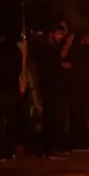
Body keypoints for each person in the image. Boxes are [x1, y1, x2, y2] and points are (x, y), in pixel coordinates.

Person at [32, 23, 69, 159]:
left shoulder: (52, 48)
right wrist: (60, 65)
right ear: (51, 34)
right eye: (58, 34)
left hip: (54, 87)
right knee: (51, 118)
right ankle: (50, 149)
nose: (60, 37)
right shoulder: (46, 49)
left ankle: (53, 147)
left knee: (56, 117)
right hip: (50, 87)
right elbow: (51, 66)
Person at [0, 30, 24, 160]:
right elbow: (18, 70)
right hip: (13, 89)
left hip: (1, 89)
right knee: (11, 121)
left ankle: (1, 150)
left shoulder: (0, 52)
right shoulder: (17, 52)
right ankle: (12, 149)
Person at [69, 28, 89, 151]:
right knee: (77, 114)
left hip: (83, 86)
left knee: (83, 114)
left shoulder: (86, 49)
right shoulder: (76, 50)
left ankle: (82, 141)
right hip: (76, 86)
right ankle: (77, 142)